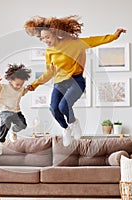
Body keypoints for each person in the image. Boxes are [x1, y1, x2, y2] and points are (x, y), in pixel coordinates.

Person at [24, 15, 126, 147]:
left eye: (47, 37)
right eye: (42, 38)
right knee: (54, 108)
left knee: (63, 106)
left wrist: (114, 36)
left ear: (55, 34)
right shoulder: (49, 52)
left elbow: (94, 41)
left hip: (76, 81)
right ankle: (66, 129)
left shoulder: (75, 44)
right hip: (59, 83)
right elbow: (49, 72)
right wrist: (34, 84)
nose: (45, 40)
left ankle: (73, 122)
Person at [0, 63, 31, 155]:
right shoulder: (3, 88)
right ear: (10, 80)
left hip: (16, 111)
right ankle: (0, 143)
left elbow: (23, 92)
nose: (19, 87)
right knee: (6, 122)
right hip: (4, 110)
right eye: (17, 84)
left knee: (23, 125)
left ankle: (13, 131)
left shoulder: (20, 89)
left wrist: (27, 89)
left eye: (21, 85)